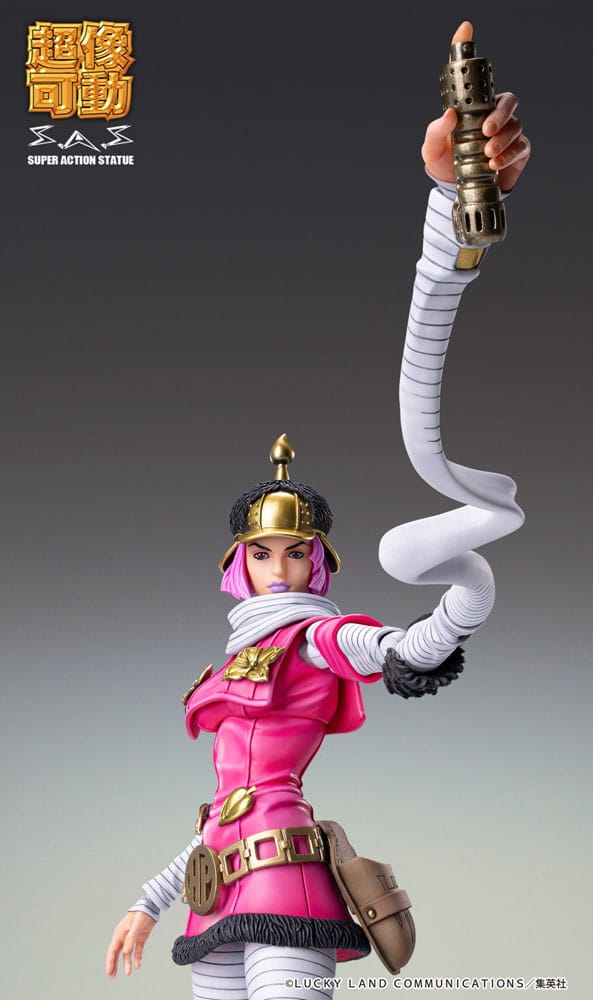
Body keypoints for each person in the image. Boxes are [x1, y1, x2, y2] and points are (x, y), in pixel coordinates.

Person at [105, 20, 530, 1000]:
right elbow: (223, 812)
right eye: (264, 554)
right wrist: (146, 899)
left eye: (297, 553)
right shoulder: (228, 665)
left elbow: (394, 650)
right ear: (236, 567)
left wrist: (454, 609)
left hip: (289, 880)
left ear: (319, 565)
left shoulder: (316, 636)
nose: (281, 566)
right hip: (217, 888)